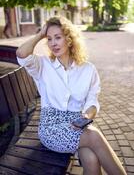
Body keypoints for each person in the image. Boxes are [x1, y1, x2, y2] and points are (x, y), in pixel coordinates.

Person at [16, 16, 127, 175]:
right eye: (49, 39)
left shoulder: (88, 69)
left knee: (90, 157)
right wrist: (41, 34)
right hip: (51, 128)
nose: (53, 43)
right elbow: (21, 54)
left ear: (69, 39)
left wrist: (87, 115)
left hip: (77, 125)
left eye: (58, 37)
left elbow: (92, 100)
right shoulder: (42, 65)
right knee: (94, 135)